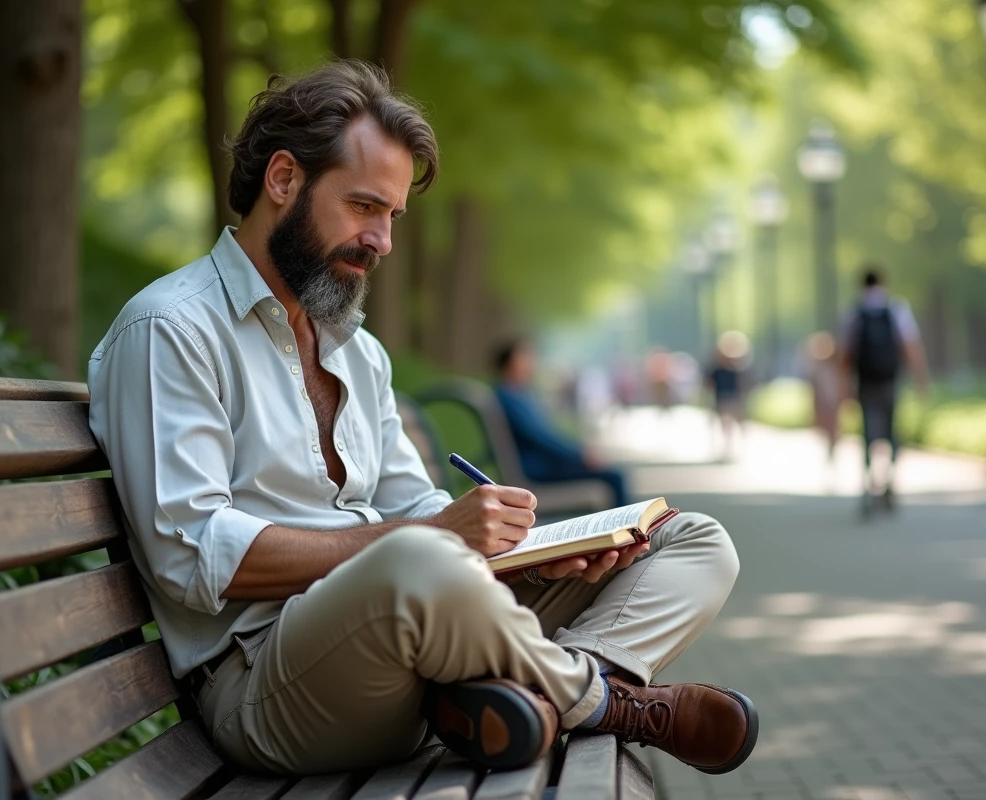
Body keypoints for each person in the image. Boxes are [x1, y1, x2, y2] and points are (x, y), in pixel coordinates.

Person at [88, 61, 754, 780]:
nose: (383, 241)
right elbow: (191, 555)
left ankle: (528, 697)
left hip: (410, 643)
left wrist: (522, 553)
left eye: (393, 216)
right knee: (417, 559)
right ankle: (609, 704)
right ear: (283, 180)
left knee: (691, 540)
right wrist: (427, 539)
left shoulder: (356, 350)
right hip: (263, 685)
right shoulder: (169, 330)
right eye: (364, 207)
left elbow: (416, 509)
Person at [493, 339, 629, 508]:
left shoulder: (519, 394)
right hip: (537, 469)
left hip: (543, 464)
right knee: (615, 476)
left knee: (612, 473)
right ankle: (631, 530)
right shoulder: (508, 396)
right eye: (524, 357)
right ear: (509, 362)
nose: (531, 362)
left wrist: (579, 452)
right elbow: (539, 437)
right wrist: (579, 455)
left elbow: (545, 434)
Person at [838, 267, 929, 516]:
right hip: (890, 381)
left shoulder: (854, 312)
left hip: (865, 382)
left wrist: (843, 386)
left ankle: (869, 486)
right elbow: (910, 345)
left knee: (869, 432)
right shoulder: (896, 309)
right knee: (891, 432)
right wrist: (921, 379)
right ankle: (890, 481)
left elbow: (846, 354)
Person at [705, 331, 752, 462]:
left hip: (734, 399)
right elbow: (709, 384)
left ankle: (739, 448)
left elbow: (744, 383)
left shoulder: (738, 369)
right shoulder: (717, 370)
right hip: (722, 399)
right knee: (725, 425)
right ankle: (727, 448)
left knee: (739, 424)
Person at [805, 332, 842, 461]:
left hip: (832, 401)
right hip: (825, 402)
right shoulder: (820, 369)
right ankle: (830, 447)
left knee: (833, 427)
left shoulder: (835, 368)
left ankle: (832, 448)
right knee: (826, 427)